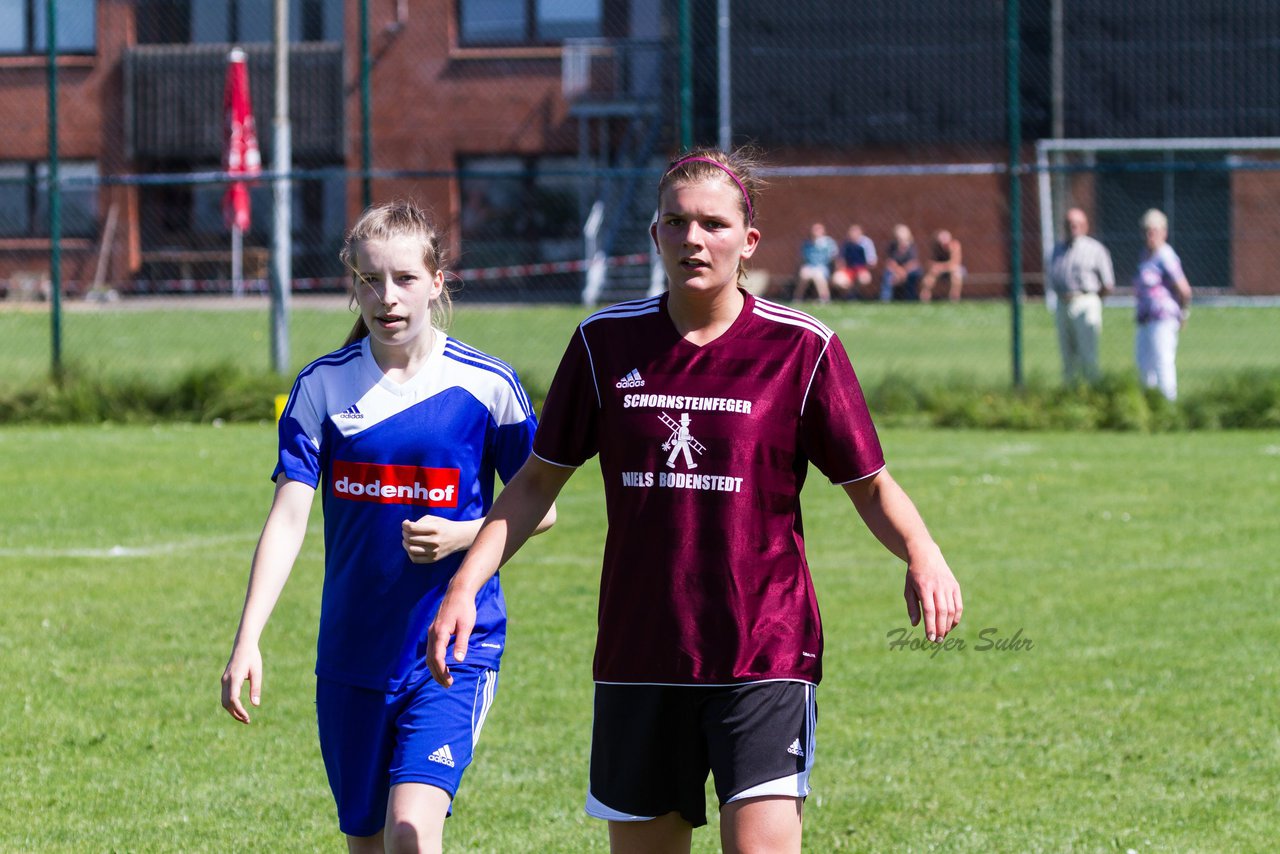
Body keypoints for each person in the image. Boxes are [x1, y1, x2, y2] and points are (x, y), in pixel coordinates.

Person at [426, 148, 963, 854]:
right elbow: (533, 483)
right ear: (654, 236)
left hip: (764, 650)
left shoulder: (801, 350)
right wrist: (466, 583)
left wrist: (923, 553)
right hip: (640, 652)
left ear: (749, 242)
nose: (693, 239)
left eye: (713, 224)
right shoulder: (603, 343)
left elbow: (871, 485)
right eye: (676, 222)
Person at [220, 200, 555, 853]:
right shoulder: (322, 388)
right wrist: (247, 639)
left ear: (437, 281)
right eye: (370, 280)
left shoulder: (488, 386)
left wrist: (462, 537)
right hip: (351, 654)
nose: (387, 296)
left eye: (404, 278)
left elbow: (540, 508)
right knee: (367, 841)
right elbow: (289, 516)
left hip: (454, 649)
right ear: (353, 285)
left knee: (410, 831)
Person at [1048, 207, 1115, 385]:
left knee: (1088, 355)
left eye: (1077, 224)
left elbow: (1108, 284)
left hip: (1085, 301)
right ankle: (1071, 392)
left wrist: (1094, 301)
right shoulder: (1058, 249)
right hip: (1063, 303)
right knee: (1067, 356)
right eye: (1069, 224)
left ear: (1085, 226)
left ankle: (1092, 392)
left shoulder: (1095, 249)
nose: (1073, 228)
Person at [1133, 208, 1192, 401]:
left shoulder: (1166, 256)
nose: (1150, 235)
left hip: (1163, 318)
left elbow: (1184, 290)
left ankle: (1168, 404)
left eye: (1155, 230)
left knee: (1163, 362)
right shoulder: (1145, 255)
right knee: (1144, 365)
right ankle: (1149, 404)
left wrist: (1183, 314)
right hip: (1145, 318)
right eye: (1147, 231)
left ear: (1164, 232)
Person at [792, 221, 839, 303]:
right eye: (814, 230)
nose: (816, 232)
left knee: (818, 275)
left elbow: (833, 257)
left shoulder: (828, 243)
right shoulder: (807, 243)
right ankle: (797, 298)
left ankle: (824, 299)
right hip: (810, 266)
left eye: (818, 230)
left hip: (823, 267)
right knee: (804, 274)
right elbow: (803, 258)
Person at [831, 223, 878, 299]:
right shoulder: (845, 244)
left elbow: (872, 261)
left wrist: (868, 266)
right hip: (848, 270)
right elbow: (840, 260)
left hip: (861, 269)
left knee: (864, 279)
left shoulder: (866, 243)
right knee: (836, 279)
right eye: (852, 233)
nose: (853, 235)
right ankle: (850, 294)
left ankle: (854, 294)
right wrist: (840, 266)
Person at [919, 229, 965, 302]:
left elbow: (955, 262)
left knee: (956, 273)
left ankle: (954, 298)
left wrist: (941, 266)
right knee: (930, 275)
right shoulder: (935, 247)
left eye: (945, 239)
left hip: (952, 269)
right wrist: (936, 267)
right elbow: (928, 262)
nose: (943, 242)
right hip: (938, 270)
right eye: (941, 240)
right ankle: (925, 297)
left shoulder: (955, 245)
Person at [879, 223, 922, 301]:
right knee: (888, 275)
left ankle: (910, 299)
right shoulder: (892, 246)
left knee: (913, 275)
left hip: (908, 271)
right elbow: (890, 261)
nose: (901, 240)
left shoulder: (912, 246)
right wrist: (898, 271)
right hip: (895, 271)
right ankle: (885, 300)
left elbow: (913, 263)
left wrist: (903, 272)